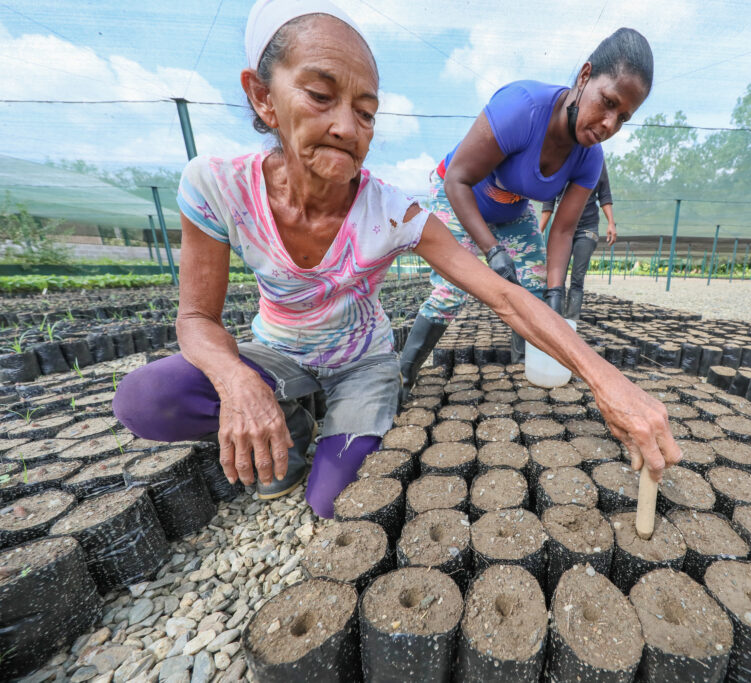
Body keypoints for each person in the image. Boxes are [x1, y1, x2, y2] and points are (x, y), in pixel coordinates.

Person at [111, 0, 680, 519]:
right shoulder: (216, 187)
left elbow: (507, 296)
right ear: (263, 96)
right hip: (277, 352)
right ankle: (293, 412)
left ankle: (343, 403)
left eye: (365, 111)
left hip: (360, 364)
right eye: (319, 95)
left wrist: (607, 381)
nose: (346, 127)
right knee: (146, 400)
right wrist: (238, 381)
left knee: (334, 502)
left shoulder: (391, 213)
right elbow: (195, 321)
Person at [398, 29, 653, 401]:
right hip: (457, 195)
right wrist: (492, 251)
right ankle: (403, 374)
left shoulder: (590, 158)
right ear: (584, 77)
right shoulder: (522, 108)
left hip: (511, 209)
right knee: (453, 288)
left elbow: (563, 232)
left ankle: (525, 370)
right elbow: (458, 180)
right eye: (608, 102)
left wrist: (553, 292)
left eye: (623, 118)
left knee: (534, 290)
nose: (609, 125)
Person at [539, 162, 616, 320]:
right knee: (556, 277)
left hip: (587, 228)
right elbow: (549, 201)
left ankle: (572, 320)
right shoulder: (560, 160)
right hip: (562, 229)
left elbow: (604, 195)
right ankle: (555, 319)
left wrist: (611, 223)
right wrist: (538, 230)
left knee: (577, 277)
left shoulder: (596, 162)